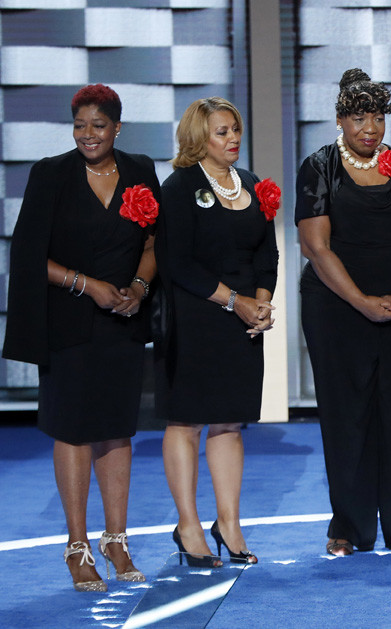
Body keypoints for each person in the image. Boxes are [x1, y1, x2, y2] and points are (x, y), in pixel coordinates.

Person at [3, 85, 157, 591]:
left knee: (116, 429)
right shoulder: (50, 174)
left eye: (98, 125)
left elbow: (156, 242)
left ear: (117, 127)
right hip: (68, 323)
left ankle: (117, 540)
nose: (88, 135)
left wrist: (138, 286)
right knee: (73, 428)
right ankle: (77, 547)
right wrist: (86, 285)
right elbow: (28, 256)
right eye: (80, 126)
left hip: (123, 323)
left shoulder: (140, 170)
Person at [296, 69, 391, 556]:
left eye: (377, 117)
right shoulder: (319, 167)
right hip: (337, 308)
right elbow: (315, 247)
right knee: (347, 415)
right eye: (359, 118)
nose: (369, 128)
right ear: (340, 120)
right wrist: (361, 301)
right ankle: (349, 528)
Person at [156, 97, 279, 567]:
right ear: (197, 138)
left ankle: (228, 523)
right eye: (222, 132)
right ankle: (187, 526)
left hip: (244, 322)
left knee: (228, 422)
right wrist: (236, 301)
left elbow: (266, 254)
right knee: (186, 421)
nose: (233, 139)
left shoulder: (252, 185)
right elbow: (177, 263)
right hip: (195, 320)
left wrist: (262, 302)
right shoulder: (180, 187)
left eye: (235, 130)